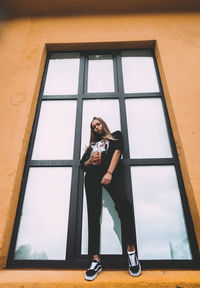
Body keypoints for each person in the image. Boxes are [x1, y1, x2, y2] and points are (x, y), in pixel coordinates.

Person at [80, 117, 141, 281]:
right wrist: (89, 160)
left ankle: (131, 252)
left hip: (110, 175)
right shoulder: (92, 146)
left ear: (103, 124)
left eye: (98, 124)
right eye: (93, 127)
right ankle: (95, 260)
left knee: (124, 207)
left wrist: (109, 173)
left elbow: (117, 152)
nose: (96, 128)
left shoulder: (115, 136)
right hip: (92, 177)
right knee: (93, 215)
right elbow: (82, 164)